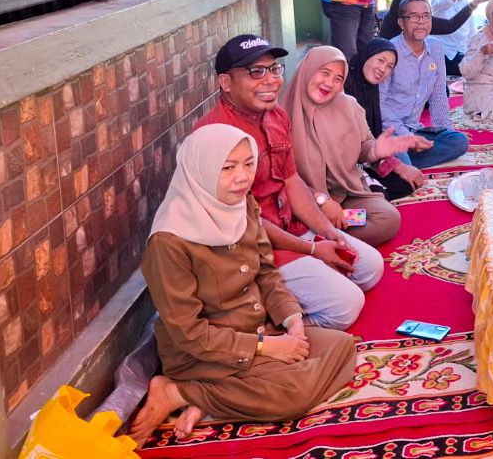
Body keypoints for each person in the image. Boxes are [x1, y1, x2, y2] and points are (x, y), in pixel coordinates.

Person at [130, 125, 357, 444]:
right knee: (292, 391)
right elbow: (189, 334)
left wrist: (292, 320)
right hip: (203, 355)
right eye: (227, 168)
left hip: (257, 329)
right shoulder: (168, 242)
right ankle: (178, 391)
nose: (242, 177)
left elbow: (265, 272)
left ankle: (208, 400)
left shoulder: (242, 205)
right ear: (200, 170)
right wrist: (266, 347)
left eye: (249, 164)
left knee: (343, 346)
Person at [197, 35, 383, 330]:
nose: (270, 80)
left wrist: (327, 232)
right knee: (346, 306)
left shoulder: (275, 115)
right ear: (226, 82)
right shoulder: (215, 135)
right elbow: (245, 222)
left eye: (274, 69)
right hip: (254, 249)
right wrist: (311, 250)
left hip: (291, 227)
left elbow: (292, 180)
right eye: (256, 71)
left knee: (370, 267)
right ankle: (259, 331)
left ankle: (292, 298)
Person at [282, 46, 416, 247]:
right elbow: (283, 180)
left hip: (345, 193)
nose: (329, 83)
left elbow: (365, 145)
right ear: (308, 69)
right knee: (287, 220)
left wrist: (374, 150)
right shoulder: (282, 114)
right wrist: (321, 201)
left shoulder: (348, 105)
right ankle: (318, 237)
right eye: (325, 73)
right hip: (305, 202)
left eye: (338, 78)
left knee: (387, 218)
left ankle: (324, 234)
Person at [379, 0, 470, 168]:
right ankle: (399, 159)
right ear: (401, 23)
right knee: (401, 155)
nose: (421, 22)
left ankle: (395, 162)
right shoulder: (390, 51)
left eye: (426, 16)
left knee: (459, 141)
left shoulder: (436, 47)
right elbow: (380, 103)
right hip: (389, 130)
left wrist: (445, 131)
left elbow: (438, 95)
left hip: (416, 128)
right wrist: (407, 137)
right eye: (414, 16)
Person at [344, 39, 430, 201]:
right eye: (380, 60)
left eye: (390, 66)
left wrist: (398, 165)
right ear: (367, 55)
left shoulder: (370, 90)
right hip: (343, 165)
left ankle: (367, 192)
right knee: (381, 194)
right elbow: (352, 146)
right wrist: (399, 165)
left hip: (367, 157)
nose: (383, 69)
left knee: (405, 184)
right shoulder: (345, 90)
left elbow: (371, 140)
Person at [430, 0, 479, 76]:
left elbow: (471, 32)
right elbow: (445, 2)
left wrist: (471, 53)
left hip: (460, 54)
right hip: (441, 53)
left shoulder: (466, 4)